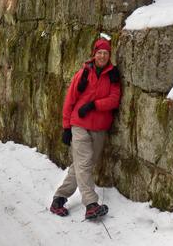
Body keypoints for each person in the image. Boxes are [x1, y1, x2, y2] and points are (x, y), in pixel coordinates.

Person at [50, 38, 121, 220]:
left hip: (99, 128)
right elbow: (70, 101)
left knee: (83, 165)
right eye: (99, 53)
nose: (102, 56)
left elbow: (114, 100)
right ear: (94, 54)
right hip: (79, 124)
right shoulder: (82, 74)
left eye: (105, 53)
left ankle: (59, 198)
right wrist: (67, 127)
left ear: (109, 55)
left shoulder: (113, 76)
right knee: (84, 162)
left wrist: (94, 105)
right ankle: (91, 204)